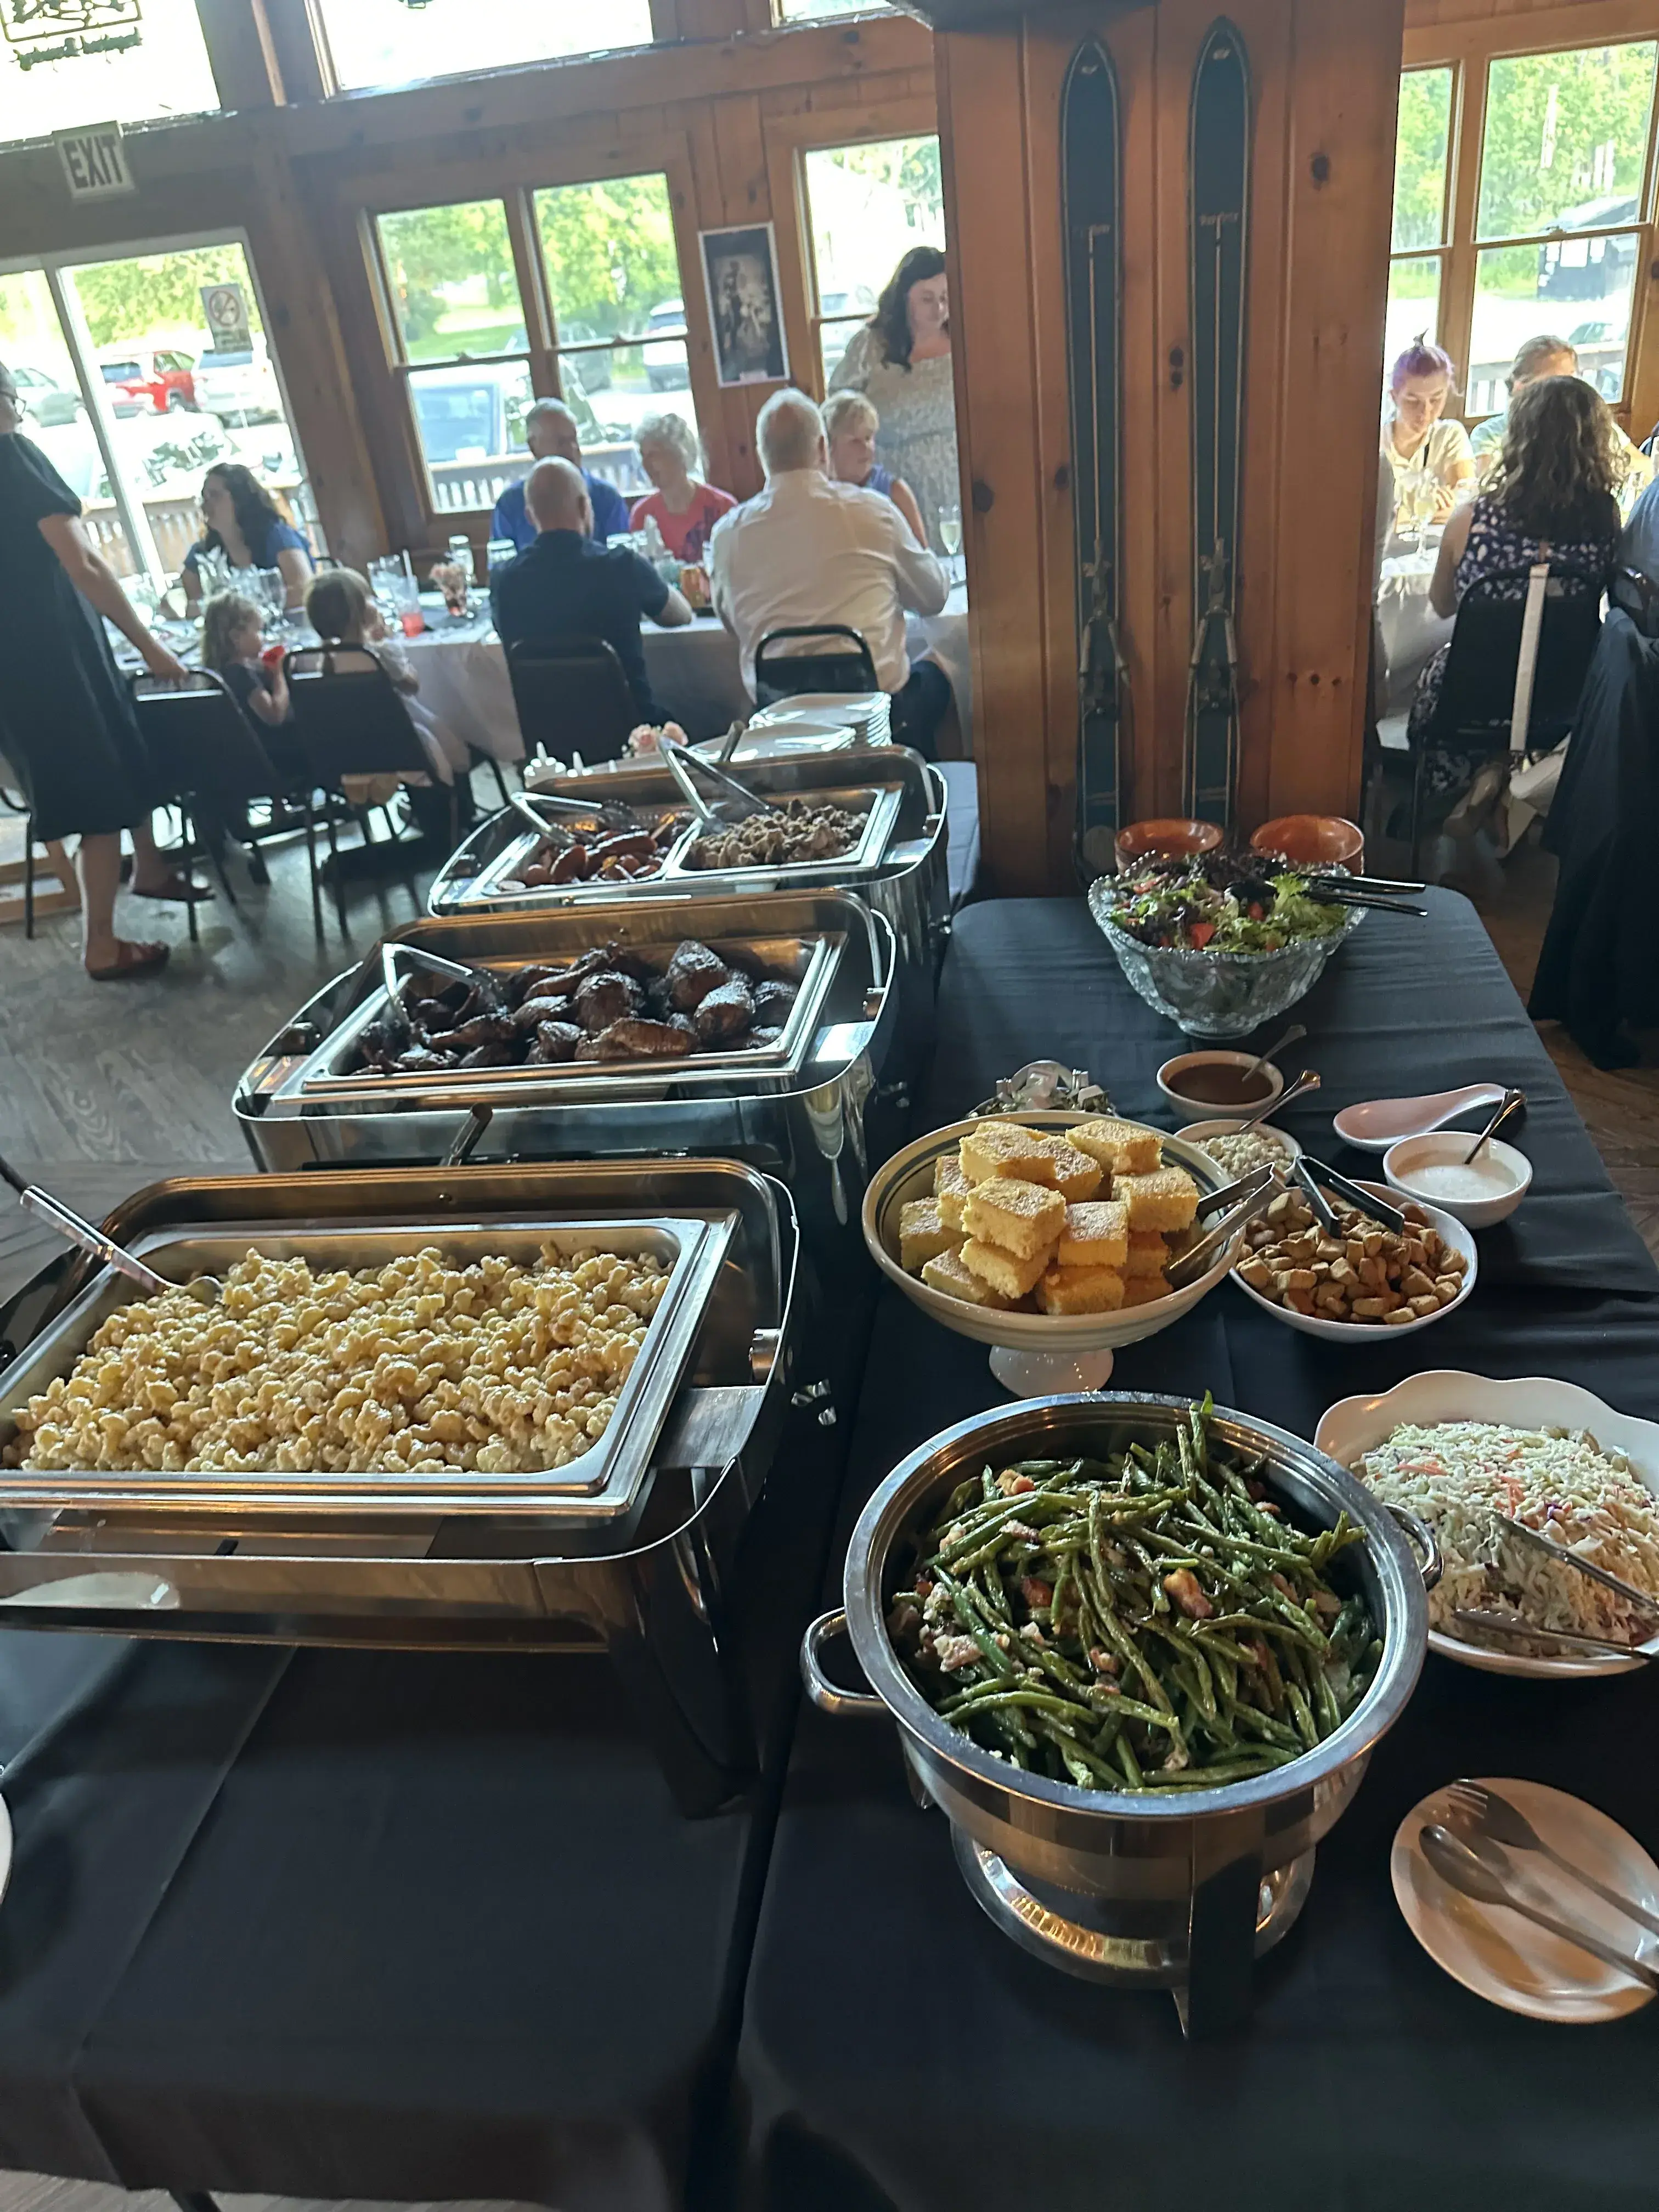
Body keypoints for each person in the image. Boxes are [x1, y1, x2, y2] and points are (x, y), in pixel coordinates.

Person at [0, 359, 194, 979]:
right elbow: (84, 565)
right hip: (55, 660)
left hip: (16, 669)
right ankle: (102, 945)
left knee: (117, 758)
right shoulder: (15, 460)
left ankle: (154, 869)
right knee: (98, 796)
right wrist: (149, 644)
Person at [1409, 375, 1621, 822]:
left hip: (1472, 690)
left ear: (1519, 438)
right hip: (1565, 692)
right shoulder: (1603, 518)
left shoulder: (1471, 519)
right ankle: (1506, 782)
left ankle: (1476, 779)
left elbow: (1443, 606)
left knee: (1437, 673)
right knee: (1532, 695)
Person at [707, 388, 951, 755]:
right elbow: (934, 598)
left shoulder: (727, 535)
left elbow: (732, 625)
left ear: (763, 457)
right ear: (822, 448)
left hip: (783, 736)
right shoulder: (872, 512)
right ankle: (927, 795)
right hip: (880, 727)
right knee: (942, 665)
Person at [491, 456, 692, 721]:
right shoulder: (622, 566)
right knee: (708, 713)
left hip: (548, 742)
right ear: (585, 506)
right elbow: (681, 616)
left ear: (530, 516)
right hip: (634, 733)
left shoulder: (503, 581)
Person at [302, 567, 473, 818]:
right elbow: (411, 685)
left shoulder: (325, 661)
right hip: (402, 740)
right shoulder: (376, 655)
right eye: (369, 598)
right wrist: (390, 643)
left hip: (355, 747)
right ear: (358, 613)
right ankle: (456, 814)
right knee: (449, 738)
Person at [828, 245, 960, 554]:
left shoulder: (965, 339)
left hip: (953, 486)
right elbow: (837, 413)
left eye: (945, 298)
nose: (939, 309)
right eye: (927, 299)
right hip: (888, 486)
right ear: (904, 299)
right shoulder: (870, 345)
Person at [1471, 332, 1653, 494]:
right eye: (1556, 383)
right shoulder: (1491, 434)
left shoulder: (1591, 424)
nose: (1569, 391)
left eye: (1572, 379)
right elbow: (1487, 487)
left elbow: (1645, 468)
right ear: (1522, 386)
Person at [490, 398, 628, 553]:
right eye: (561, 442)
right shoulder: (511, 503)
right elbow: (500, 569)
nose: (572, 449)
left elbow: (624, 562)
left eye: (574, 439)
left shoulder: (606, 498)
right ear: (533, 446)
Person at [182, 463, 314, 610]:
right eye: (204, 497)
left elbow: (303, 590)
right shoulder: (202, 552)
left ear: (241, 500)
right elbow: (190, 604)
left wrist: (244, 608)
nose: (205, 504)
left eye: (215, 496)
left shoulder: (278, 537)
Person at [1381, 340, 1475, 528]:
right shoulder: (1377, 444)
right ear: (1394, 397)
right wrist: (1428, 508)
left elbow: (1466, 508)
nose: (1426, 412)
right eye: (1413, 401)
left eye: (1436, 399)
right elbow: (1372, 520)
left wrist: (1404, 513)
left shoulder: (1449, 435)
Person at [823, 389, 928, 549]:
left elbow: (924, 564)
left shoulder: (896, 492)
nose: (866, 447)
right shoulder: (820, 496)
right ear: (830, 447)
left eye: (868, 438)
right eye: (855, 441)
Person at [628, 413, 736, 566]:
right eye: (643, 456)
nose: (646, 464)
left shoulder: (723, 506)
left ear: (680, 454)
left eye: (654, 455)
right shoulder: (642, 514)